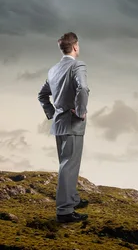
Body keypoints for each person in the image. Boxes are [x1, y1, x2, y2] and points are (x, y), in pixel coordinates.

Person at [37, 32, 90, 223]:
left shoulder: (53, 70)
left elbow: (42, 95)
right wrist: (81, 111)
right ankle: (65, 211)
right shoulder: (78, 65)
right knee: (68, 166)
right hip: (72, 123)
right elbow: (82, 89)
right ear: (75, 47)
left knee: (66, 163)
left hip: (59, 123)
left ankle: (72, 199)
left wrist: (52, 113)